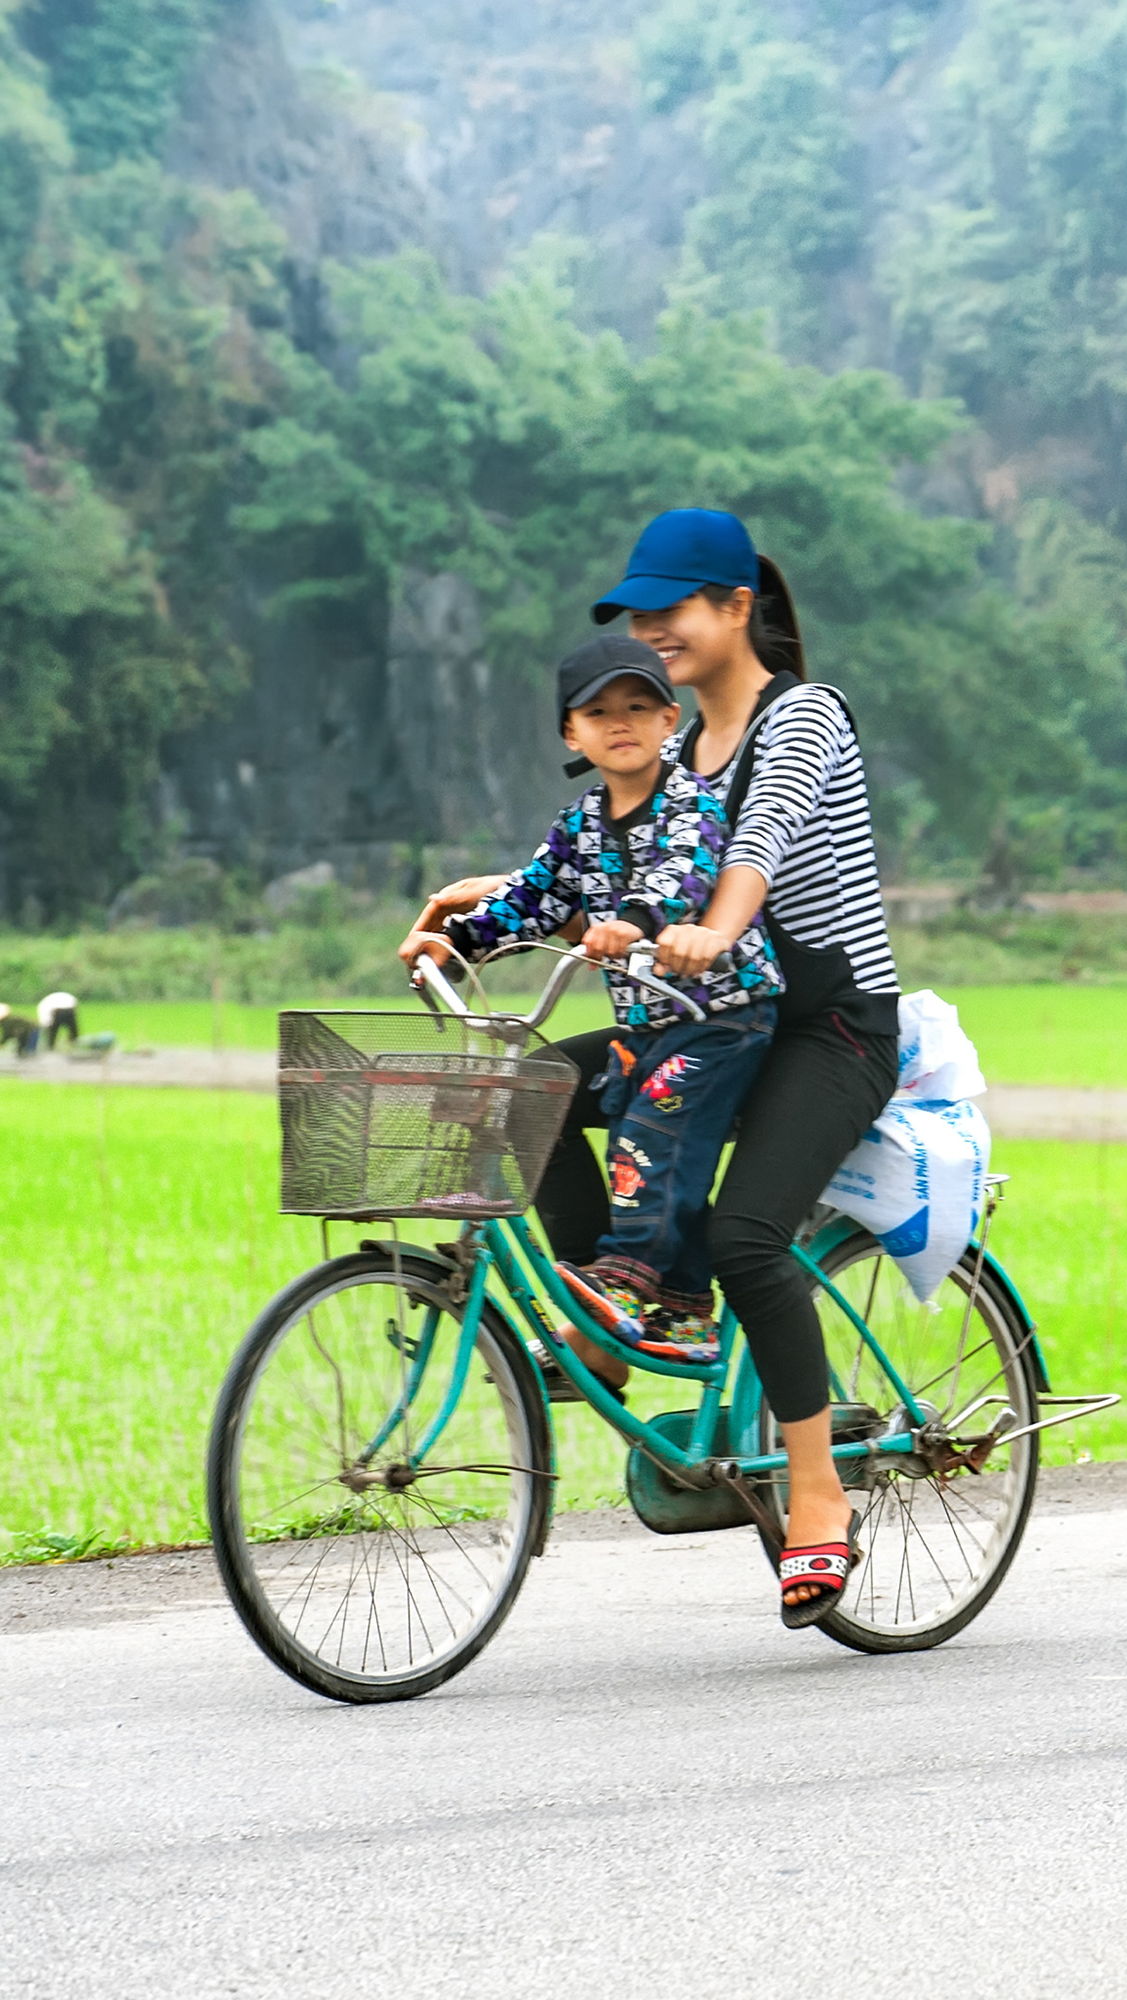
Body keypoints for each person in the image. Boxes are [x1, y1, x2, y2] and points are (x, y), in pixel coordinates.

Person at [410, 510, 900, 1628]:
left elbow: (751, 848)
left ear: (735, 607)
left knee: (746, 1236)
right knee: (528, 1088)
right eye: (639, 616)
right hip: (708, 1015)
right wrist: (482, 900)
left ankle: (818, 1496)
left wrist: (715, 928)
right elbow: (621, 851)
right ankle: (620, 1314)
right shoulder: (673, 745)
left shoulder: (802, 717)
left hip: (827, 1027)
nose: (652, 632)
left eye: (671, 610)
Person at [401, 635, 784, 1347]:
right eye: (599, 711)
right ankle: (606, 1304)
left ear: (670, 721)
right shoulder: (578, 823)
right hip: (646, 1027)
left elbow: (687, 874)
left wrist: (633, 921)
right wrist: (451, 949)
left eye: (639, 707)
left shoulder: (690, 804)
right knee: (530, 1096)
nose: (621, 722)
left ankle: (632, 1284)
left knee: (652, 1126)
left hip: (722, 1018)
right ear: (571, 732)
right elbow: (530, 898)